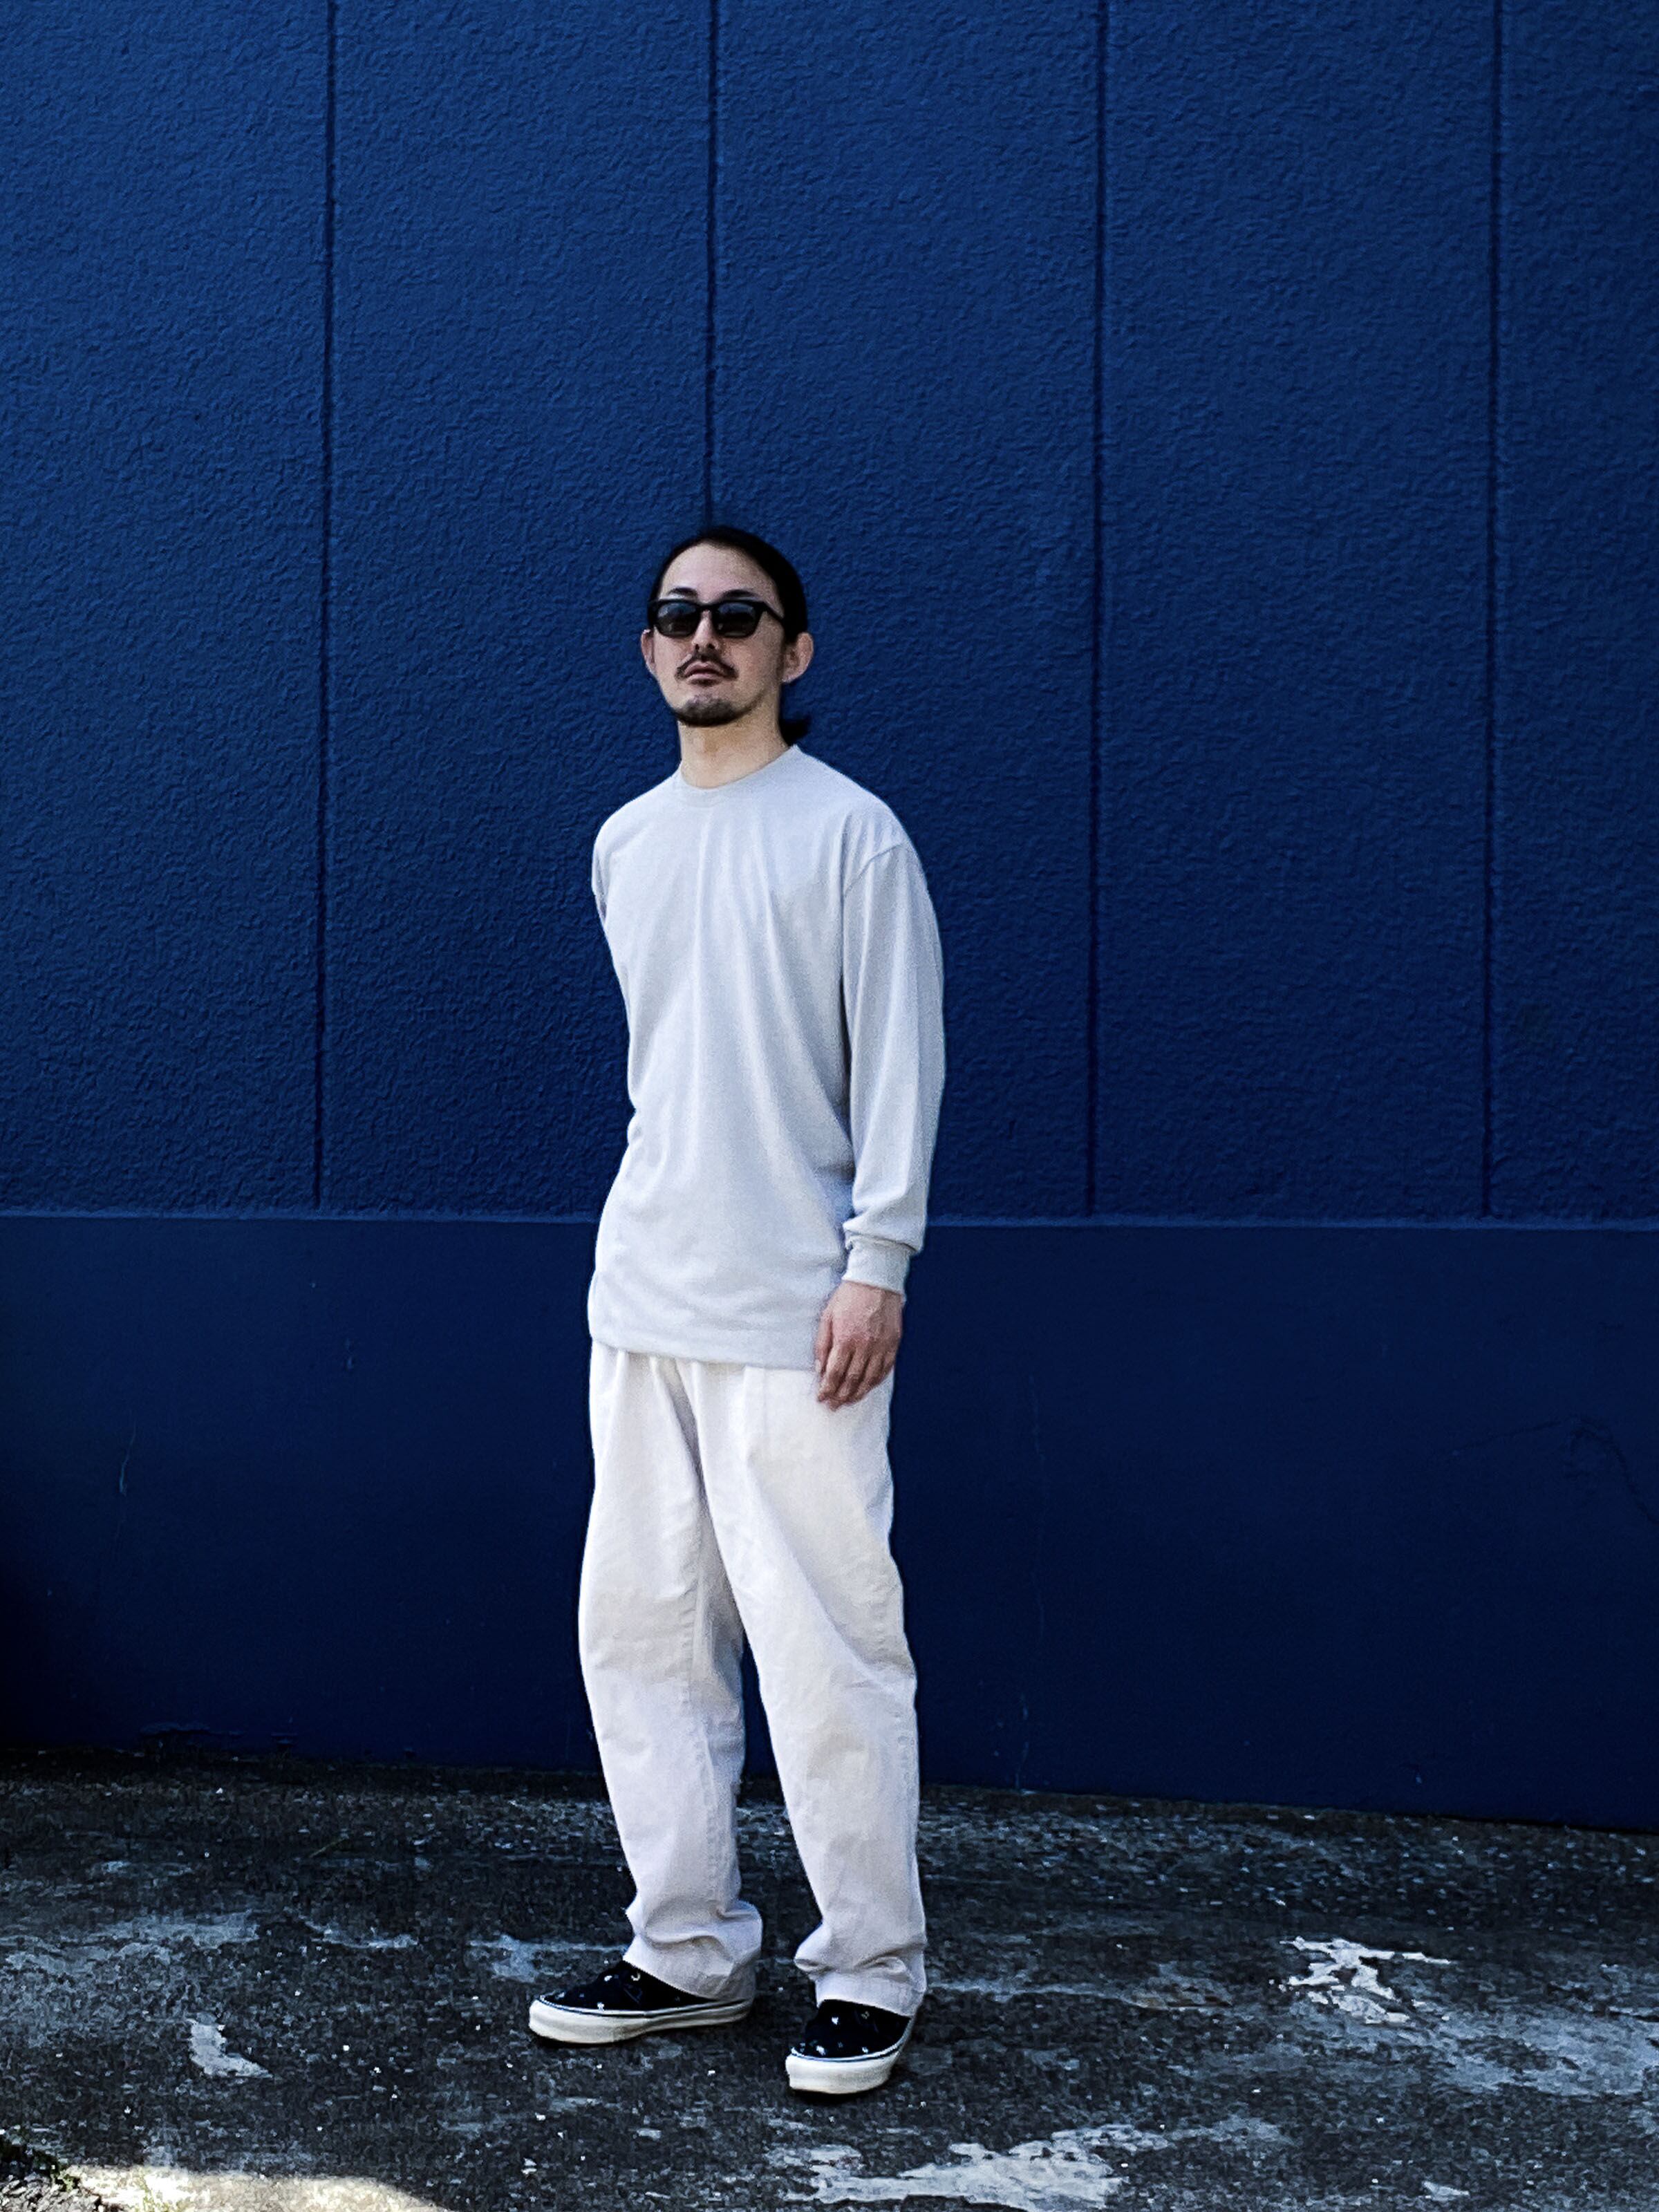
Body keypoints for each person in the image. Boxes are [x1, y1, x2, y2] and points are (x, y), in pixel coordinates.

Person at [527, 525, 946, 2097]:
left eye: (739, 615)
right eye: (678, 614)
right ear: (650, 648)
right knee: (640, 1636)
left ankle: (872, 1967)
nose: (706, 636)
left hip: (799, 1314)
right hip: (643, 1300)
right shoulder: (625, 842)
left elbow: (901, 1062)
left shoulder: (852, 836)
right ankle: (688, 1949)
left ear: (794, 650)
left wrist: (878, 1262)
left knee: (828, 1645)